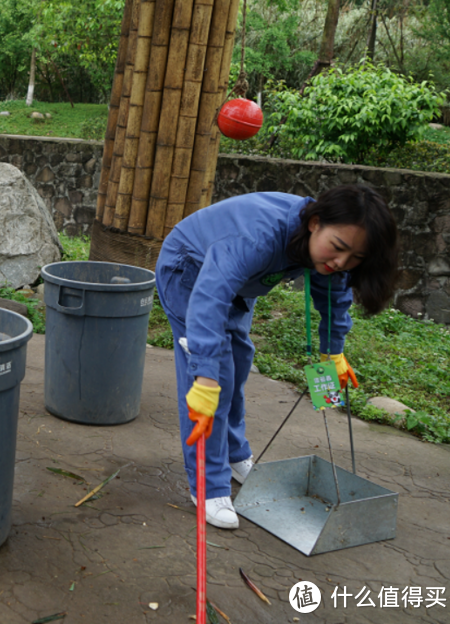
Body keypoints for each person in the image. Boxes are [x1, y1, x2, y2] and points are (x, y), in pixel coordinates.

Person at [155, 185, 398, 529]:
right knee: (215, 377)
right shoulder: (258, 235)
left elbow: (333, 295)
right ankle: (208, 485)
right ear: (314, 223)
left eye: (356, 258)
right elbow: (210, 297)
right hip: (190, 269)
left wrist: (333, 352)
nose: (342, 262)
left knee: (238, 363)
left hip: (240, 284)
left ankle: (235, 455)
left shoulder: (326, 253)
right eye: (339, 248)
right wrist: (206, 376)